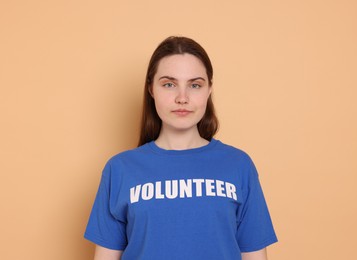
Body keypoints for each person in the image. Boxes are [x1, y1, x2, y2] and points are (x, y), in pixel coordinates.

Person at [84, 36, 278, 260]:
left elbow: (254, 255)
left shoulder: (239, 165)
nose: (182, 98)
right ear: (151, 89)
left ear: (209, 90)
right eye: (169, 84)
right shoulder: (120, 169)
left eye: (195, 85)